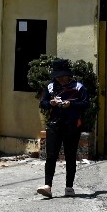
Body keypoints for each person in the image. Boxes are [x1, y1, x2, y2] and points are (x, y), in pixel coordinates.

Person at [38, 59, 88, 198]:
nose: (60, 78)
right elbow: (43, 104)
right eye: (57, 76)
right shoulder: (50, 87)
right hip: (54, 124)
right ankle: (48, 186)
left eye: (62, 75)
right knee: (51, 156)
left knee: (70, 156)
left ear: (68, 75)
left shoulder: (78, 87)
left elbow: (85, 104)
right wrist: (51, 103)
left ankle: (69, 187)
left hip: (72, 125)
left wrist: (70, 105)